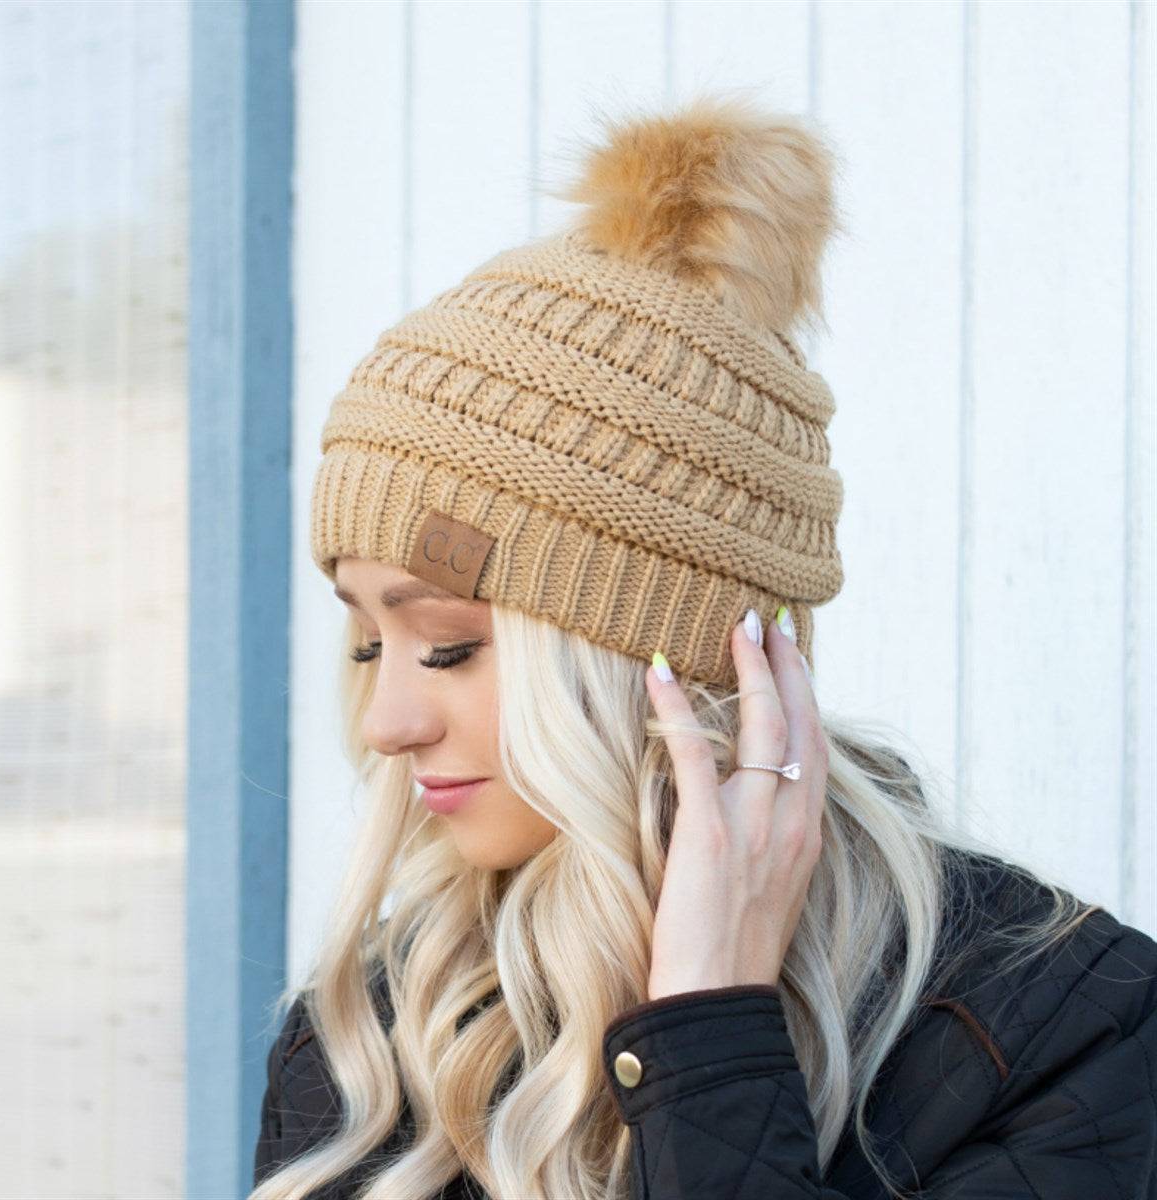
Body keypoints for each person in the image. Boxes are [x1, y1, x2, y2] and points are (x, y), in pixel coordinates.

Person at [251, 92, 1157, 1200]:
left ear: (674, 655)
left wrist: (709, 1039)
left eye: (448, 645)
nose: (388, 724)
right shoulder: (376, 1035)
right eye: (365, 644)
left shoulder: (1057, 1028)